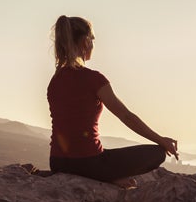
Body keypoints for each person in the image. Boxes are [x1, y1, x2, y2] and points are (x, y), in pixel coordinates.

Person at [47, 15, 178, 188]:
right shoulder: (94, 79)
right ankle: (106, 177)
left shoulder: (55, 81)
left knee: (103, 156)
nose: (93, 45)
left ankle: (106, 176)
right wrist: (161, 140)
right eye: (92, 39)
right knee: (157, 154)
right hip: (89, 163)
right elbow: (126, 116)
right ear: (85, 42)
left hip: (57, 162)